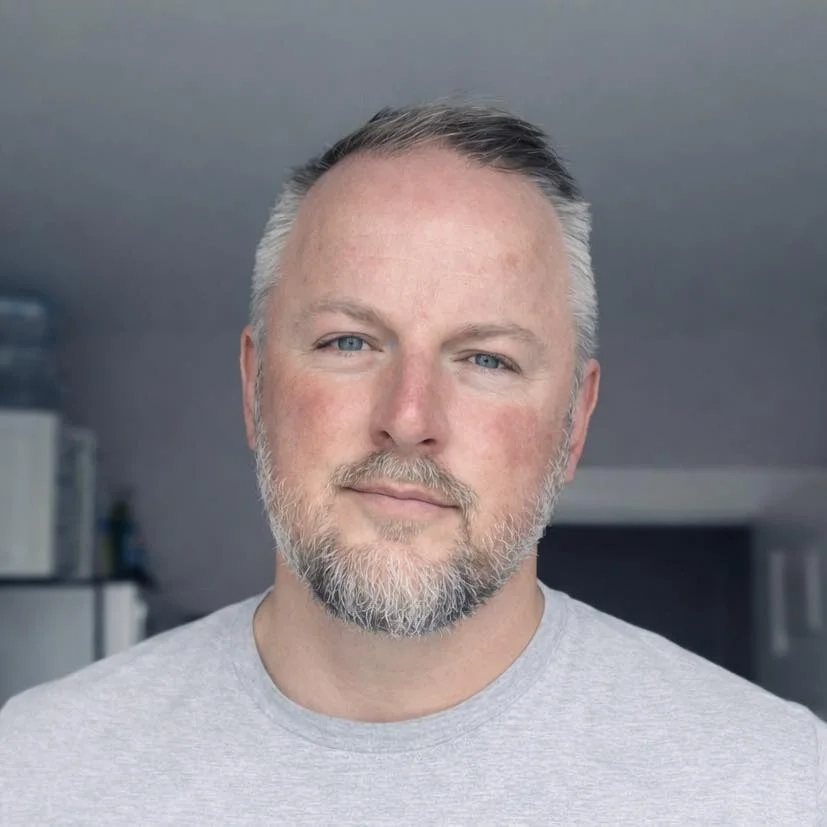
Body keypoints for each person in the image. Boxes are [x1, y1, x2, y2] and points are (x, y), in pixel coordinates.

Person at [1, 103, 824, 825]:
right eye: (349, 342)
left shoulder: (780, 787)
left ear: (573, 423)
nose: (407, 419)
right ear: (256, 387)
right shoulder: (33, 774)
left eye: (487, 359)